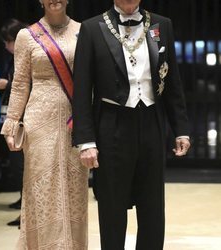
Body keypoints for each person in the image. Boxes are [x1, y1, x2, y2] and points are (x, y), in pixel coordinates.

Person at [72, 0, 191, 249]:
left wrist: (181, 128)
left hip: (151, 121)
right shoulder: (92, 28)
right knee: (112, 206)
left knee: (152, 207)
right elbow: (82, 89)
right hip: (111, 125)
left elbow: (173, 82)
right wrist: (86, 141)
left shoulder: (162, 25)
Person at [1, 0, 88, 249]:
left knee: (74, 188)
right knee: (41, 186)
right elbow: (19, 84)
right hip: (38, 121)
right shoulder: (26, 36)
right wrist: (11, 124)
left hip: (74, 119)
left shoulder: (84, 31)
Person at [0, 19, 27, 227]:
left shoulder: (27, 57)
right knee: (19, 167)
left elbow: (28, 86)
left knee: (23, 167)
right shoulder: (15, 59)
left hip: (26, 119)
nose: (6, 46)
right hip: (16, 118)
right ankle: (25, 210)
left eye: (8, 41)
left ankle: (27, 213)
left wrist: (5, 84)